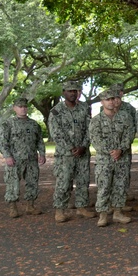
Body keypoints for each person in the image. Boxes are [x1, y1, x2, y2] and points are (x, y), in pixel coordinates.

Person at [89, 89, 135, 227]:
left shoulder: (125, 117)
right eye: (107, 99)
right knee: (104, 186)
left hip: (122, 158)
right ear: (102, 102)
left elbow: (129, 133)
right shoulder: (96, 120)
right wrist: (111, 151)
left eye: (113, 99)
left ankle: (118, 212)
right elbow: (95, 140)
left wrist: (121, 149)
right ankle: (103, 214)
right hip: (105, 160)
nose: (111, 102)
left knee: (120, 186)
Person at [48, 80, 92, 223]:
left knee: (83, 180)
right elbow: (56, 133)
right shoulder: (56, 111)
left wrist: (84, 146)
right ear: (63, 93)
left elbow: (90, 129)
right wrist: (71, 148)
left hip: (83, 153)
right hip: (65, 155)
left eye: (75, 90)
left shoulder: (85, 108)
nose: (73, 93)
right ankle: (60, 210)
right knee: (64, 182)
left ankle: (82, 207)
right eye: (69, 90)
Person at [0, 97, 46, 218]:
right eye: (20, 107)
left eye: (25, 107)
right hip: (15, 159)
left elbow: (39, 140)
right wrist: (7, 156)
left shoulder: (34, 124)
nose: (23, 109)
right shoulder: (8, 124)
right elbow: (2, 142)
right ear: (14, 108)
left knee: (32, 182)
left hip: (31, 159)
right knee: (13, 183)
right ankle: (13, 207)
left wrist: (42, 153)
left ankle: (30, 206)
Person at [111, 83, 137, 209]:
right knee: (109, 175)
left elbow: (134, 127)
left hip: (125, 147)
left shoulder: (129, 108)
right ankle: (111, 201)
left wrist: (124, 146)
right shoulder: (105, 108)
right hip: (110, 149)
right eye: (115, 93)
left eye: (120, 92)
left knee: (124, 174)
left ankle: (122, 198)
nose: (117, 96)